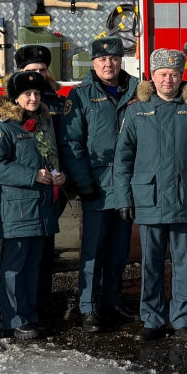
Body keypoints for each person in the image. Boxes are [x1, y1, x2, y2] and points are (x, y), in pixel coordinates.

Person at [114, 49, 187, 342]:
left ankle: (182, 318)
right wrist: (123, 198)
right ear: (152, 77)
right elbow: (122, 159)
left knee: (183, 262)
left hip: (186, 198)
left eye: (173, 74)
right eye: (162, 74)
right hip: (150, 198)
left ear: (182, 77)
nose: (168, 79)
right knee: (151, 263)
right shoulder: (136, 111)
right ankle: (152, 319)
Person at [60, 37, 139, 333]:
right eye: (102, 60)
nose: (109, 64)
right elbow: (70, 142)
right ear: (93, 63)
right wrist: (84, 182)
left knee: (120, 251)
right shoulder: (80, 96)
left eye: (115, 58)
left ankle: (112, 302)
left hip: (128, 186)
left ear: (122, 60)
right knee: (93, 251)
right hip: (98, 186)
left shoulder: (137, 91)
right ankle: (88, 308)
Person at [0, 71, 65, 339]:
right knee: (14, 266)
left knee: (33, 265)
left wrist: (58, 175)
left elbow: (47, 159)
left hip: (41, 207)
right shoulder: (4, 126)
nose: (33, 98)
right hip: (17, 208)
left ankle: (29, 315)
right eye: (27, 94)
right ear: (15, 98)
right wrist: (32, 176)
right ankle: (14, 319)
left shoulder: (42, 123)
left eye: (37, 93)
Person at [12, 44, 66, 320]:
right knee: (22, 257)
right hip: (24, 192)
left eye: (43, 70)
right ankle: (20, 311)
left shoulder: (55, 102)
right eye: (32, 71)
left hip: (53, 190)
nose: (38, 76)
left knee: (45, 252)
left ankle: (41, 304)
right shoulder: (10, 110)